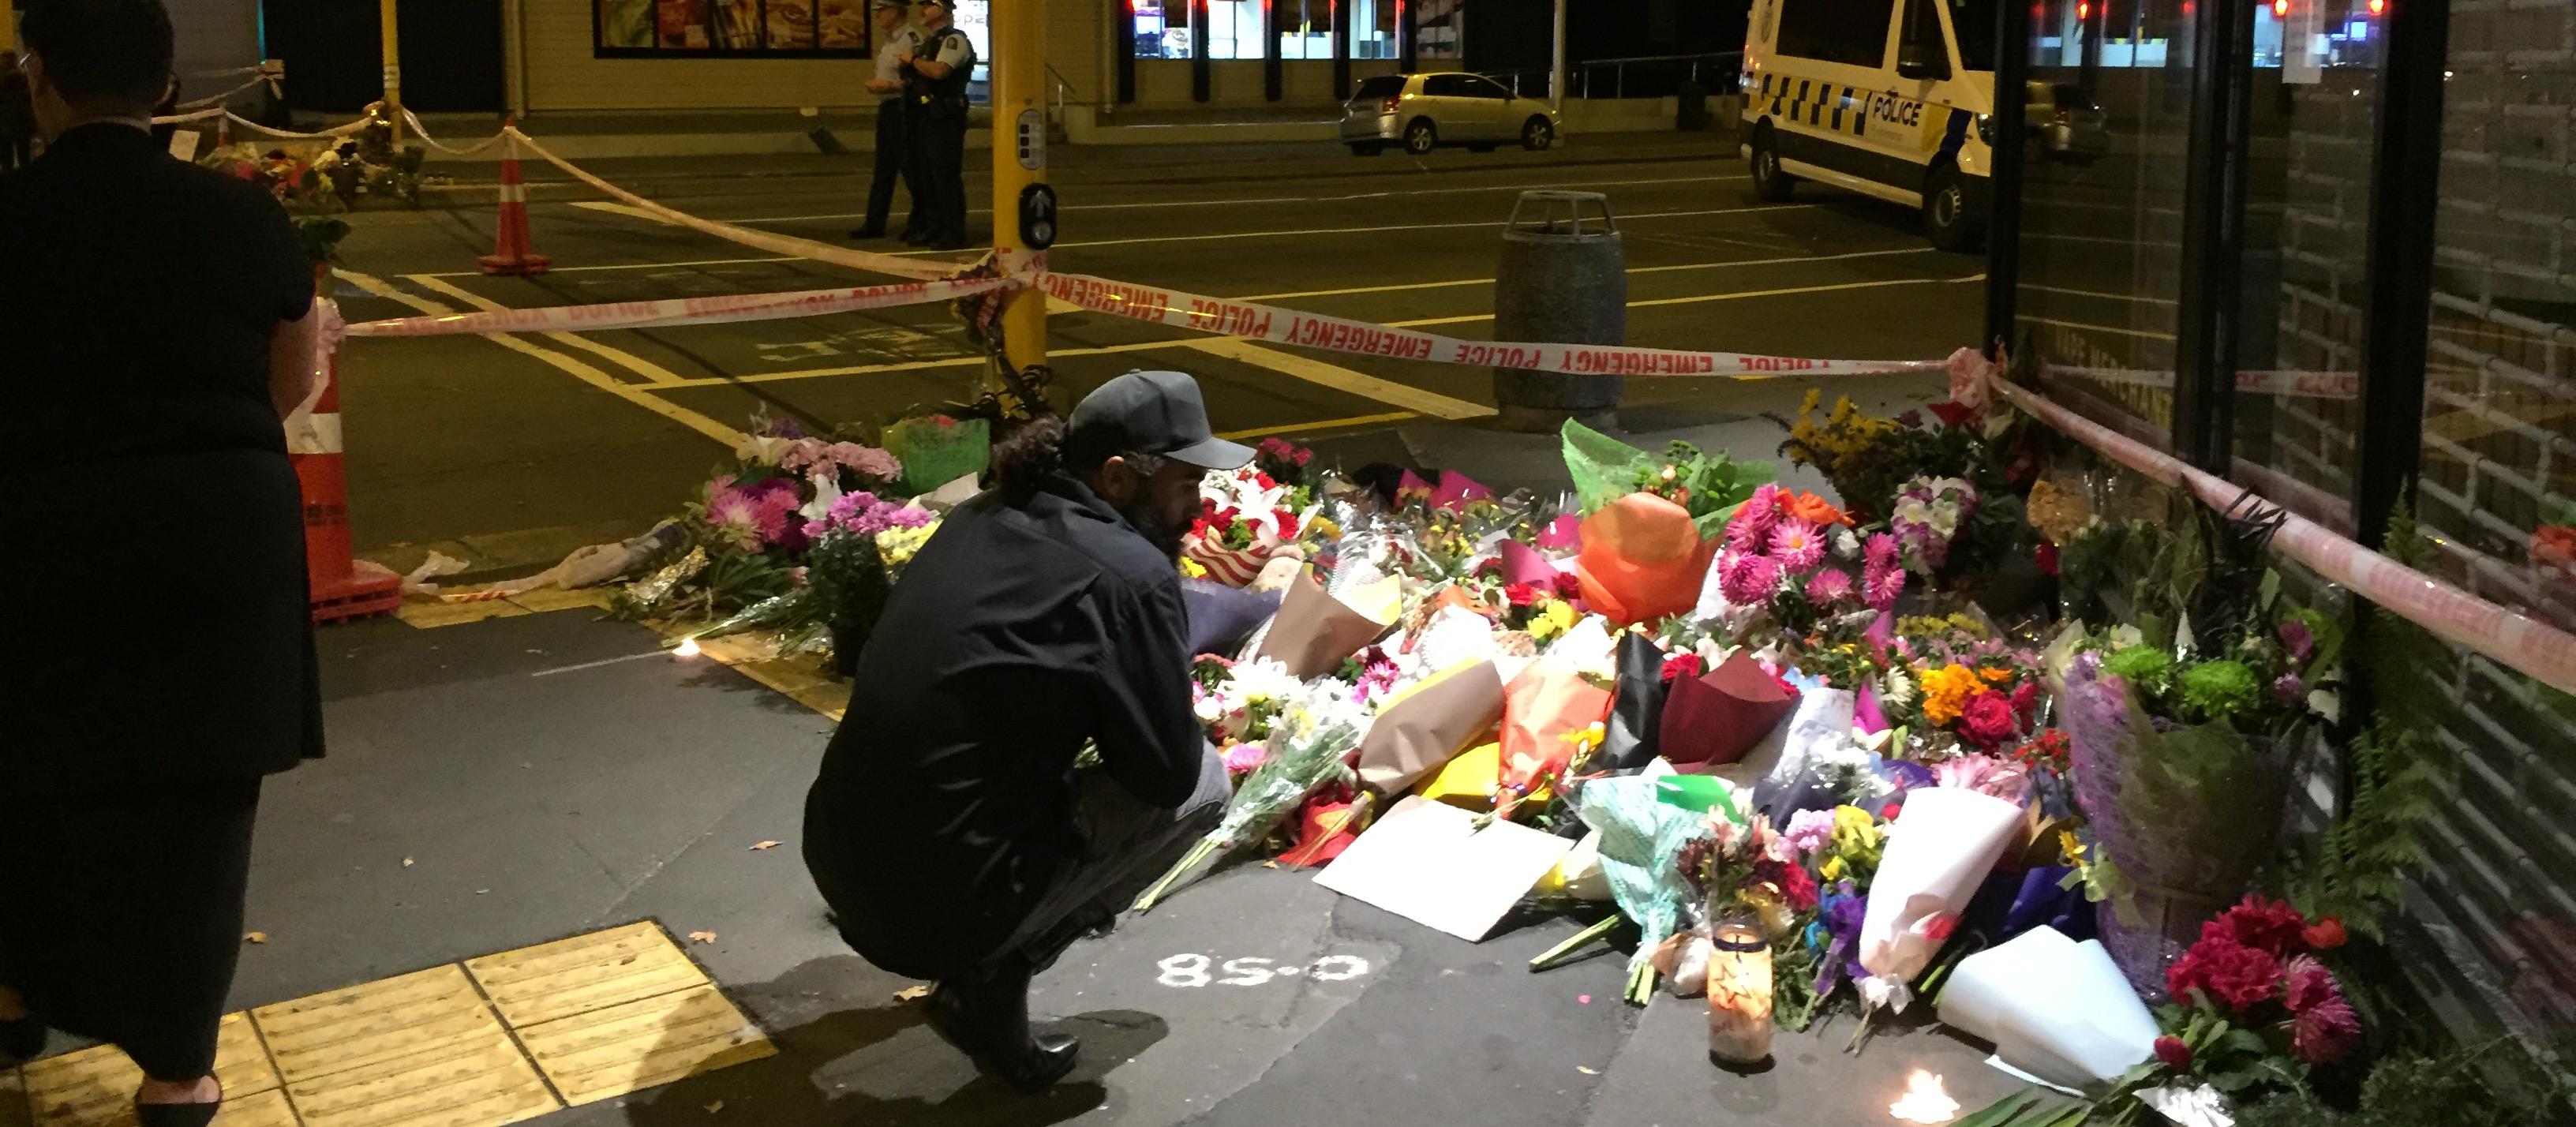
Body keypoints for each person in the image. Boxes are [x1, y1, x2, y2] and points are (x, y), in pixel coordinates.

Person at [0, 3, 328, 1125]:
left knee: (29, 776)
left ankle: (13, 994)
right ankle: (178, 1072)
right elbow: (285, 386)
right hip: (212, 536)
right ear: (170, 84)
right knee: (198, 806)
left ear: (37, 78)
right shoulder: (239, 217)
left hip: (34, 531)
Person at [802, 371, 1241, 1088]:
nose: (1199, 506)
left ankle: (986, 967)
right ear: (1120, 478)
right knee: (1208, 783)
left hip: (838, 855)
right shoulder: (1128, 574)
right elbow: (1163, 773)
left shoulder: (978, 516)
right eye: (1187, 486)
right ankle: (994, 979)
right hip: (937, 907)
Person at [899, 0, 974, 250]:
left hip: (945, 115)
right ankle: (933, 227)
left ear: (941, 9)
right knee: (925, 175)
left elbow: (940, 71)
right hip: (925, 114)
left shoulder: (953, 40)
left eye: (928, 5)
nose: (922, 10)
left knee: (944, 174)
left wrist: (912, 61)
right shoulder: (930, 41)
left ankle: (953, 231)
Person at [849, 0, 923, 242]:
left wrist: (890, 86)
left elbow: (920, 81)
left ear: (895, 11)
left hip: (904, 110)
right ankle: (874, 222)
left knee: (911, 168)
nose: (878, 16)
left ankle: (920, 222)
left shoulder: (911, 40)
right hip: (888, 109)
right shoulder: (890, 41)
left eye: (882, 11)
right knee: (883, 170)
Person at [0, 57, 33, 171]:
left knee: (6, 161)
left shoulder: (1, 82)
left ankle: (8, 185)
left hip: (4, 125)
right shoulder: (23, 80)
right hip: (23, 124)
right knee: (25, 157)